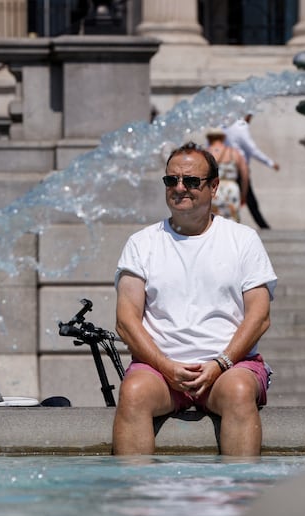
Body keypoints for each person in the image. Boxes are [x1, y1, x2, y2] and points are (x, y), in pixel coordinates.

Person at [111, 142, 277, 456]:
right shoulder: (141, 243)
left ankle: (239, 498)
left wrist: (220, 364)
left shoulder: (243, 240)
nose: (179, 188)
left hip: (230, 368)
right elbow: (126, 320)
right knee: (133, 393)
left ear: (214, 186)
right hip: (159, 370)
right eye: (171, 180)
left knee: (240, 391)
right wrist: (165, 366)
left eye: (191, 181)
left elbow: (259, 316)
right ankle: (135, 500)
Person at [223, 114, 279, 229]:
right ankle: (263, 226)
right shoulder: (241, 127)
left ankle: (232, 225)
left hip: (227, 167)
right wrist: (270, 163)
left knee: (231, 199)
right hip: (239, 166)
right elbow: (253, 150)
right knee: (248, 198)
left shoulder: (227, 125)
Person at [205, 127, 249, 222]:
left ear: (208, 138)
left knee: (213, 221)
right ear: (223, 138)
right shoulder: (234, 153)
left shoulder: (205, 154)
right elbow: (245, 175)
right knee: (232, 221)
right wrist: (244, 194)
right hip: (231, 189)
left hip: (213, 190)